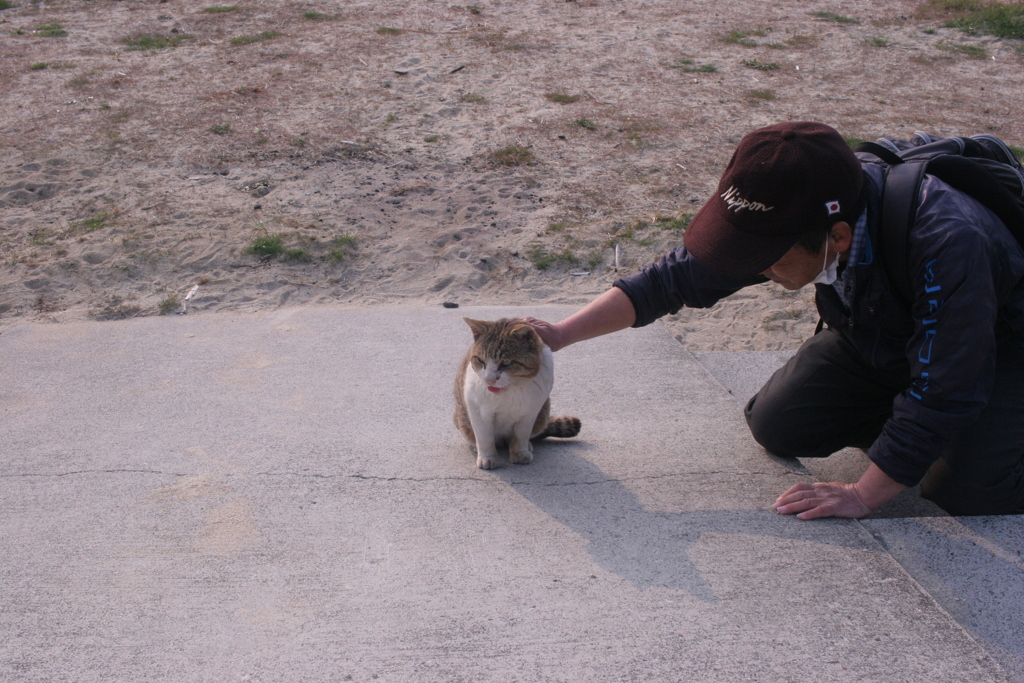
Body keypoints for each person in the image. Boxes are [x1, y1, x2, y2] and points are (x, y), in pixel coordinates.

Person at [527, 121, 1024, 519]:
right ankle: (927, 434)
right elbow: (673, 279)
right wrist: (561, 334)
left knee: (967, 490)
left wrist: (862, 494)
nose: (754, 267)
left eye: (767, 256)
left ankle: (972, 437)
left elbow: (946, 382)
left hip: (999, 349)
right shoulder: (798, 197)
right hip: (882, 331)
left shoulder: (949, 242)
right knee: (779, 423)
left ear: (840, 236)